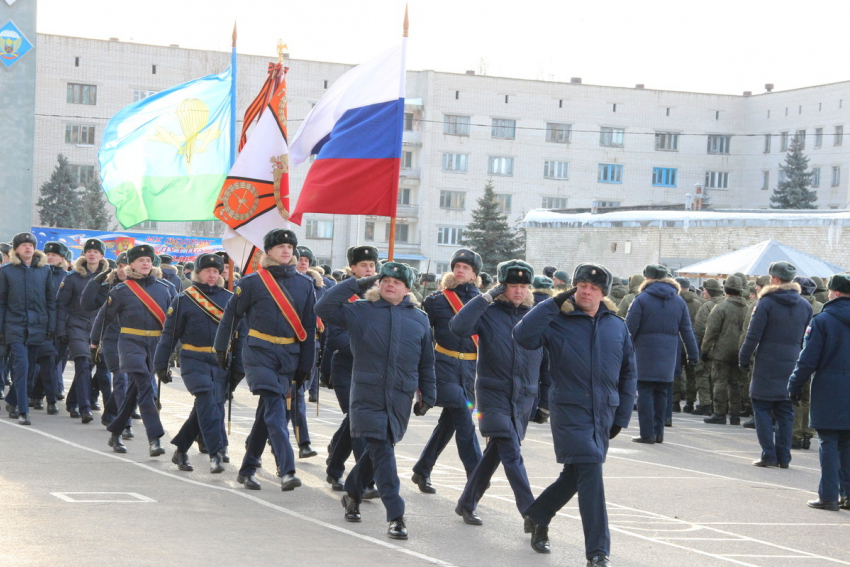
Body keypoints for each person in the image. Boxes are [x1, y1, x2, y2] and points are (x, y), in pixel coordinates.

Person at [514, 263, 637, 565]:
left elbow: (629, 371)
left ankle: (538, 514)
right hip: (570, 410)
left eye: (593, 287)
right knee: (591, 474)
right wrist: (553, 303)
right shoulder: (558, 320)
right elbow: (522, 335)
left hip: (603, 413)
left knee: (575, 474)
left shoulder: (616, 325)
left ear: (603, 293)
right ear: (573, 288)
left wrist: (621, 416)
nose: (586, 291)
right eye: (581, 285)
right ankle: (598, 552)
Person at [316, 261, 436, 540]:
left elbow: (426, 362)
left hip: (400, 397)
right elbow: (323, 309)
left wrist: (428, 394)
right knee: (382, 450)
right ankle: (396, 515)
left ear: (407, 289)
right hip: (367, 394)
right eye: (385, 280)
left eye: (396, 281)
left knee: (378, 451)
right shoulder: (361, 311)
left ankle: (352, 494)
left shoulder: (419, 319)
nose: (389, 284)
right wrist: (356, 283)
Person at [214, 229, 316, 491]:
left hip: (289, 355)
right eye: (280, 246)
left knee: (266, 413)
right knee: (275, 407)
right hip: (259, 352)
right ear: (268, 251)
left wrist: (306, 366)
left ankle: (247, 469)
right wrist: (221, 347)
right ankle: (287, 469)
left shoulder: (305, 285)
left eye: (290, 247)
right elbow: (231, 316)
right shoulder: (252, 283)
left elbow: (307, 330)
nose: (286, 250)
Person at [449, 260, 542, 526]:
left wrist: (543, 401)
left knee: (497, 453)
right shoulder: (488, 312)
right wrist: (485, 298)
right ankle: (532, 514)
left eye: (523, 286)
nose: (519, 291)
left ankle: (467, 502)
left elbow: (545, 358)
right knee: (511, 452)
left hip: (523, 397)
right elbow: (458, 327)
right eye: (513, 285)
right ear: (502, 286)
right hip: (493, 395)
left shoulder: (534, 316)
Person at [154, 253, 241, 473]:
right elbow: (169, 335)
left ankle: (181, 449)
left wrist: (238, 368)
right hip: (193, 359)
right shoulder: (184, 299)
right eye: (207, 271)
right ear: (197, 273)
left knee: (208, 407)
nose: (212, 275)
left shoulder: (230, 299)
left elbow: (239, 336)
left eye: (215, 271)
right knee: (207, 400)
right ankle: (215, 453)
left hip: (220, 362)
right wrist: (161, 364)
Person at [411, 249, 484, 494]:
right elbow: (421, 336)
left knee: (449, 422)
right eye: (457, 266)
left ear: (475, 275)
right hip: (444, 366)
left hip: (471, 370)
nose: (460, 271)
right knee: (464, 420)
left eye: (466, 268)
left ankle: (423, 468)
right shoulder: (436, 300)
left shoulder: (484, 303)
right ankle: (476, 476)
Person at [103, 244, 176, 455]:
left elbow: (173, 322)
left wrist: (173, 349)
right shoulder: (121, 291)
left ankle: (116, 431)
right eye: (141, 260)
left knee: (134, 390)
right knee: (146, 386)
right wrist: (94, 344)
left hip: (155, 345)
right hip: (130, 343)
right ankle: (155, 438)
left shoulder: (165, 289)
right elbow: (103, 318)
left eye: (148, 260)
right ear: (131, 264)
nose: (146, 263)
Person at [739, 261, 812, 468]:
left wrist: (744, 359)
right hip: (792, 362)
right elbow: (806, 338)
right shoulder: (804, 305)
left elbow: (753, 336)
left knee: (761, 408)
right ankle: (784, 457)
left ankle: (768, 455)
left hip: (767, 363)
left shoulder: (766, 303)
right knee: (786, 410)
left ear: (776, 279)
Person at [788, 274, 850, 510]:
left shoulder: (823, 320)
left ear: (833, 292)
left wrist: (795, 384)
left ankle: (828, 496)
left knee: (828, 441)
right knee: (847, 443)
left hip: (829, 388)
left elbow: (807, 359)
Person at [324, 246, 380, 496]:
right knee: (358, 423)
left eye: (372, 265)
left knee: (353, 423)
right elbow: (336, 337)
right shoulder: (343, 296)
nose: (369, 270)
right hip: (348, 368)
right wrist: (366, 349)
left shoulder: (379, 295)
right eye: (364, 265)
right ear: (353, 268)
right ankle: (364, 480)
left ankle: (335, 466)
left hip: (371, 371)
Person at [625, 265, 698, 444]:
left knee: (645, 393)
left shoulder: (641, 299)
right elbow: (687, 330)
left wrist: (621, 351)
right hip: (668, 354)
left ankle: (647, 433)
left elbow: (629, 329)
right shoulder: (678, 301)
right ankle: (659, 433)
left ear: (648, 278)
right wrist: (693, 354)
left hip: (645, 354)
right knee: (661, 393)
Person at [0, 232, 56, 425]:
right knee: (21, 367)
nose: (28, 247)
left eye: (31, 244)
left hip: (37, 327)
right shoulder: (7, 271)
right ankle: (23, 411)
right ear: (16, 249)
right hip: (15, 326)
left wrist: (51, 326)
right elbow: (2, 303)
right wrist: (1, 330)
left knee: (31, 369)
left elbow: (50, 300)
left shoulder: (45, 270)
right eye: (23, 245)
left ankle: (12, 400)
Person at [57, 238, 109, 423]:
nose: (92, 254)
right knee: (82, 362)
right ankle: (85, 408)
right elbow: (61, 305)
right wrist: (61, 330)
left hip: (97, 329)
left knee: (87, 367)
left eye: (96, 251)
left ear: (102, 256)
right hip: (76, 326)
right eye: (88, 251)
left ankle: (72, 402)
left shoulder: (108, 278)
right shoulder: (72, 277)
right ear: (84, 254)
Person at [84, 252, 131, 436]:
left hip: (134, 341)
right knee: (121, 378)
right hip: (111, 339)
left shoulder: (143, 288)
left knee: (132, 383)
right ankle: (125, 423)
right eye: (119, 265)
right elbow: (86, 304)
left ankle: (110, 412)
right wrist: (96, 282)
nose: (121, 269)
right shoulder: (109, 286)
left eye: (125, 265)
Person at [701, 276, 748, 425]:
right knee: (735, 383)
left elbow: (711, 332)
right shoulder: (747, 308)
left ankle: (719, 413)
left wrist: (704, 350)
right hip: (740, 351)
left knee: (720, 382)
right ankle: (735, 414)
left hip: (722, 352)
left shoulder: (721, 307)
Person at [791, 276, 823, 449]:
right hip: (816, 356)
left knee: (794, 396)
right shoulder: (820, 307)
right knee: (808, 398)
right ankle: (807, 434)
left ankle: (794, 434)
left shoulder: (795, 306)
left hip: (796, 354)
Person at [692, 279, 725, 415]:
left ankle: (705, 403)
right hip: (722, 348)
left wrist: (698, 348)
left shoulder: (706, 306)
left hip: (708, 346)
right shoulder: (724, 303)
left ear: (709, 291)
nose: (703, 292)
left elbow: (699, 329)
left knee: (702, 375)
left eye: (705, 290)